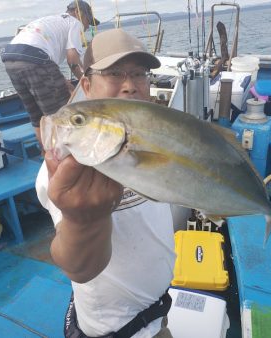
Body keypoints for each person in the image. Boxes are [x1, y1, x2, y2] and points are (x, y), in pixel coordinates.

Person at [36, 29, 176, 338]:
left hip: (159, 310)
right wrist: (82, 221)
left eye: (139, 74)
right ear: (86, 84)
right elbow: (80, 267)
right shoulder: (70, 168)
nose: (130, 86)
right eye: (114, 74)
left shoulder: (154, 137)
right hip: (118, 330)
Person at [1, 1, 100, 146]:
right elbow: (72, 60)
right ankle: (67, 158)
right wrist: (88, 84)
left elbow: (47, 63)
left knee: (36, 116)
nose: (86, 27)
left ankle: (46, 155)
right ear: (80, 14)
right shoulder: (75, 23)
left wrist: (65, 83)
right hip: (35, 59)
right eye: (88, 22)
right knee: (63, 115)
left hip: (10, 58)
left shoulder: (52, 20)